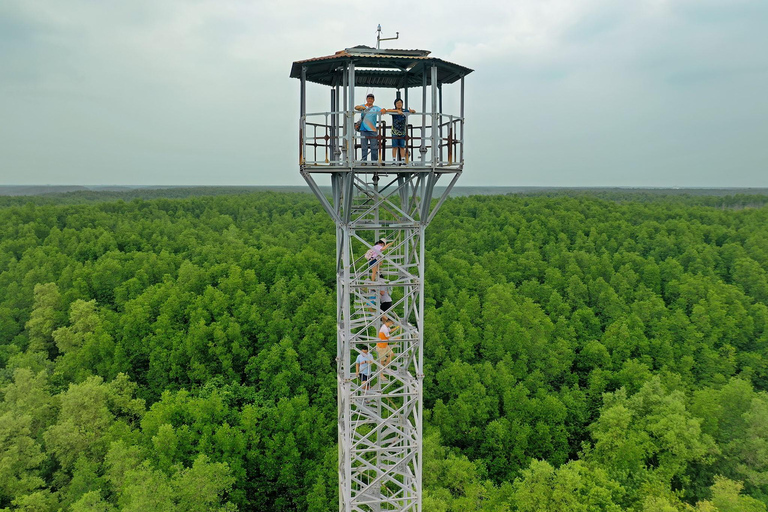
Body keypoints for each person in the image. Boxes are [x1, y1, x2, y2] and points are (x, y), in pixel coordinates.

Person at [355, 93, 387, 164]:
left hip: (373, 130)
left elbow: (382, 110)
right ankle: (364, 161)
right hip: (363, 129)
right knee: (364, 147)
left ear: (373, 100)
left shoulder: (375, 108)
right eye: (369, 98)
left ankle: (374, 161)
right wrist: (362, 108)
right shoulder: (363, 106)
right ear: (366, 99)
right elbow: (356, 107)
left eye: (371, 99)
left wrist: (384, 110)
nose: (370, 100)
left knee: (374, 147)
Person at [388, 98, 415, 164]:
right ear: (395, 104)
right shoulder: (394, 110)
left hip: (403, 131)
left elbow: (413, 111)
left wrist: (412, 111)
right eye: (397, 103)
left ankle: (403, 160)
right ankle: (394, 161)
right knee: (394, 147)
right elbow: (387, 110)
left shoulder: (404, 111)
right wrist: (397, 111)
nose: (399, 104)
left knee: (402, 146)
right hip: (395, 131)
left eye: (400, 103)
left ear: (402, 104)